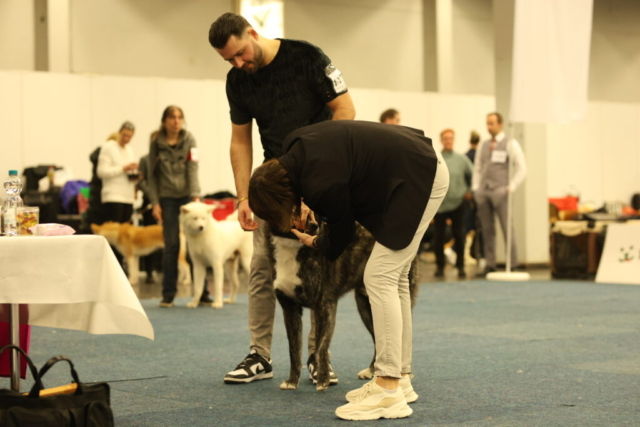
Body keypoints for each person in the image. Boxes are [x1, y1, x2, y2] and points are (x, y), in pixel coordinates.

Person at [248, 120, 449, 421]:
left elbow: (342, 237)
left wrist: (315, 241)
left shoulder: (319, 184)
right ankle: (401, 378)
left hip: (419, 174)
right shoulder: (293, 145)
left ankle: (387, 388)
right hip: (419, 161)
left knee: (379, 276)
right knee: (394, 279)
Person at [208, 12, 356, 384]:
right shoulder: (237, 81)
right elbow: (240, 140)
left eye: (240, 53)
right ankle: (259, 355)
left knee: (320, 270)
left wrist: (320, 179)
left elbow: (345, 111)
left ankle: (317, 357)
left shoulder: (308, 57)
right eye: (229, 60)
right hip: (273, 186)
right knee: (262, 267)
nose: (238, 64)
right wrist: (243, 196)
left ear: (252, 33)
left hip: (319, 179)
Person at [147, 106, 204, 307]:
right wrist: (155, 203)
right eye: (172, 117)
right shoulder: (156, 143)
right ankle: (168, 294)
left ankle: (203, 293)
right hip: (167, 199)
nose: (176, 121)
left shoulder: (190, 140)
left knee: (197, 245)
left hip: (188, 197)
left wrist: (196, 196)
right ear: (165, 121)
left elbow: (193, 168)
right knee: (171, 245)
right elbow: (151, 176)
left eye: (180, 117)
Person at [472, 112, 527, 276]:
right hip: (484, 191)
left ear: (500, 124)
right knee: (487, 229)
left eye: (492, 123)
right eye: (487, 123)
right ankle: (490, 264)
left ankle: (513, 263)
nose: (489, 127)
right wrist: (476, 189)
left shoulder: (511, 143)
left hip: (501, 191)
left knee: (507, 228)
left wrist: (511, 187)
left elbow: (522, 168)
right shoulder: (483, 145)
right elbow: (477, 168)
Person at [433, 129, 473, 279]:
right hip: (439, 204)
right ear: (441, 140)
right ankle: (439, 266)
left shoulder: (462, 159)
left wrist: (469, 191)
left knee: (459, 234)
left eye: (450, 138)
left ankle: (461, 266)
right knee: (439, 236)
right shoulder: (436, 159)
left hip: (458, 203)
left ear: (454, 140)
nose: (448, 141)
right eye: (445, 138)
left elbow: (473, 174)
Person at [96, 122, 138, 268]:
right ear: (119, 133)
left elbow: (128, 172)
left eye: (130, 136)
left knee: (125, 236)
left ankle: (123, 266)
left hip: (128, 197)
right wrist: (123, 168)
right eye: (124, 135)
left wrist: (135, 175)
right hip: (113, 196)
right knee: (113, 236)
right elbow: (101, 172)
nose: (126, 139)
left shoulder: (129, 150)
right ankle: (112, 266)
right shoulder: (108, 147)